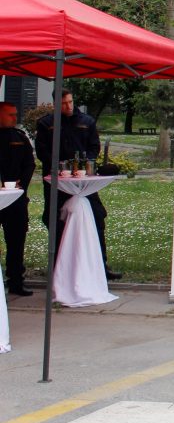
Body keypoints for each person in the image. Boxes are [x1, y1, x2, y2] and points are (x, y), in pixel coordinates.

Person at [35, 89, 121, 280]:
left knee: (97, 217)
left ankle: (101, 265)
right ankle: (59, 267)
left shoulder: (86, 121)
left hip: (84, 182)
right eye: (64, 103)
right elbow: (42, 151)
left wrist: (83, 165)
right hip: (57, 182)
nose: (69, 106)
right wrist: (59, 166)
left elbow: (94, 147)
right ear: (56, 104)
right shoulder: (46, 123)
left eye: (71, 102)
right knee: (55, 220)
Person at [0, 102, 35, 296]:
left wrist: (22, 183)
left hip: (16, 197)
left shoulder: (20, 137)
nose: (15, 118)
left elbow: (29, 163)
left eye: (16, 114)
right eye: (10, 115)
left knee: (16, 240)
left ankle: (16, 281)